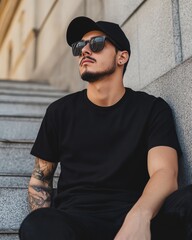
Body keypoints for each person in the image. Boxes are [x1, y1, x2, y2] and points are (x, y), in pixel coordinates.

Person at [19, 16, 192, 240]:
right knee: (37, 225)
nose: (85, 51)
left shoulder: (151, 108)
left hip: (136, 215)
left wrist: (139, 216)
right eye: (79, 46)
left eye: (97, 43)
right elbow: (40, 181)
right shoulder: (59, 112)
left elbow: (166, 173)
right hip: (76, 221)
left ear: (122, 57)